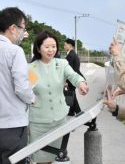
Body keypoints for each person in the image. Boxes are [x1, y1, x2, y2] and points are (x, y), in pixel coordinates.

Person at [0, 7, 35, 164]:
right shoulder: (14, 51)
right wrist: (32, 98)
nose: (23, 32)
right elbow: (22, 88)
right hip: (12, 125)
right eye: (23, 28)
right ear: (13, 28)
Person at [29, 31, 88, 164]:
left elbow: (73, 75)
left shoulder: (62, 64)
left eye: (54, 46)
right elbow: (26, 91)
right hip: (39, 122)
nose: (51, 50)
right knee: (40, 159)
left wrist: (81, 83)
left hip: (59, 119)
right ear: (38, 48)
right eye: (47, 47)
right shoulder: (31, 68)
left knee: (56, 156)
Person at [63, 38, 84, 116]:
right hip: (74, 78)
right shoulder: (74, 54)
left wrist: (66, 82)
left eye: (65, 45)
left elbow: (69, 70)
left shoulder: (70, 55)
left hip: (72, 79)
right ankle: (71, 111)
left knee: (72, 95)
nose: (64, 46)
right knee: (71, 94)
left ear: (70, 45)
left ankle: (79, 112)